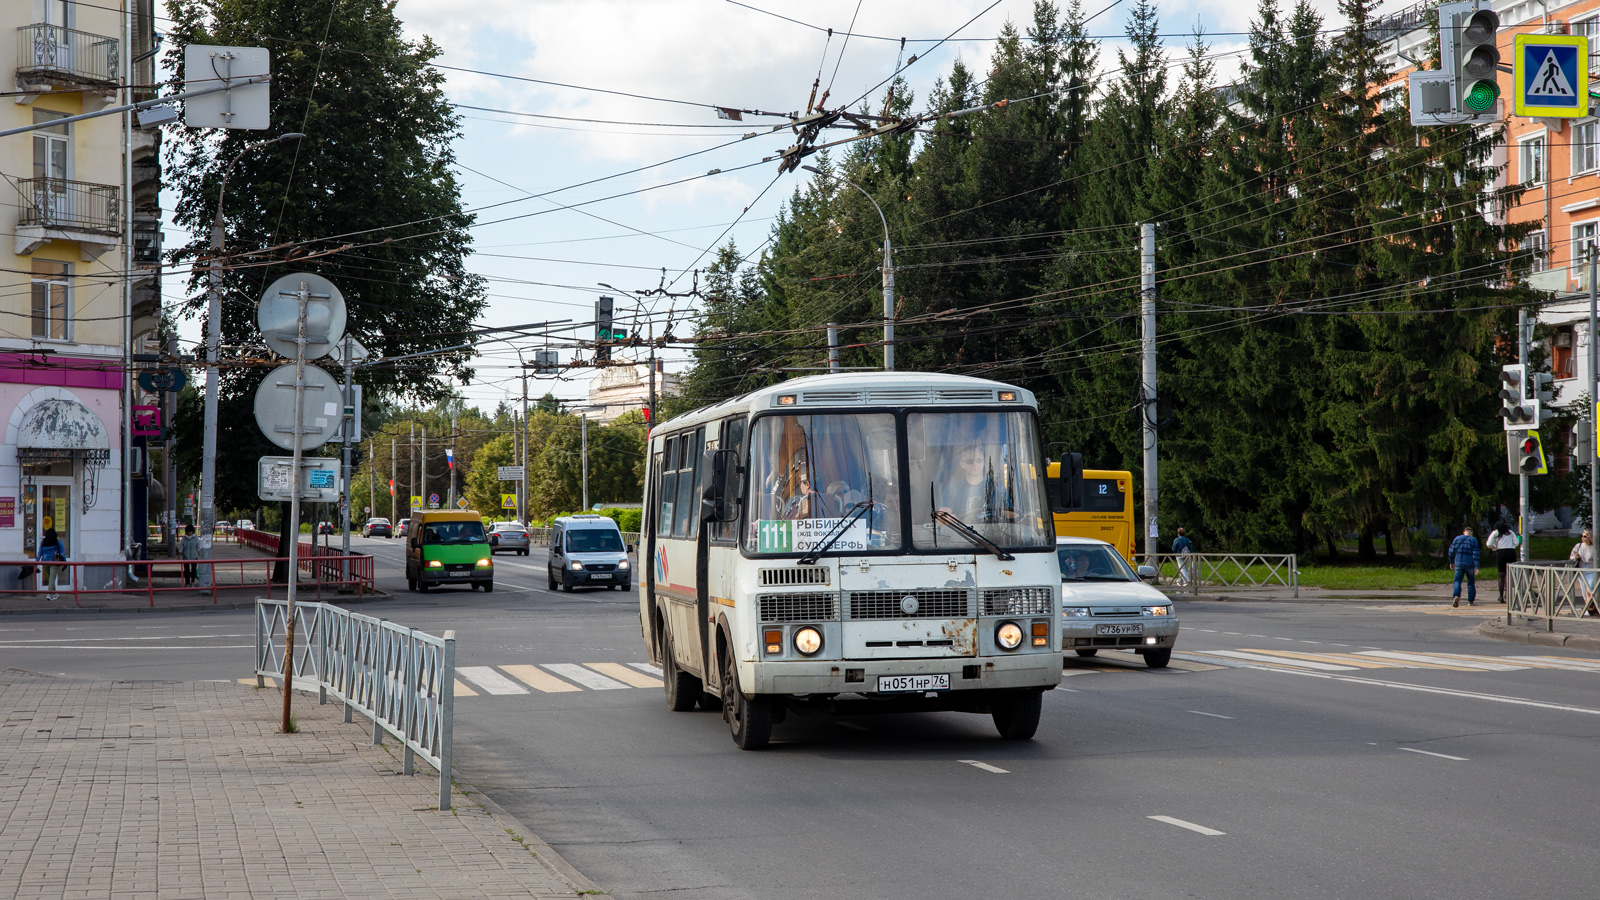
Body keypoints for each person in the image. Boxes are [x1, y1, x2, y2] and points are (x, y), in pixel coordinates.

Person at [936, 449, 1014, 524]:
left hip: (994, 535)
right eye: (970, 461)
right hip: (962, 535)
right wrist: (947, 518)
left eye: (979, 460)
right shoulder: (952, 489)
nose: (975, 464)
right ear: (962, 464)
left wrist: (1020, 519)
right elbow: (941, 518)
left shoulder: (997, 487)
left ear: (984, 462)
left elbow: (1010, 513)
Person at [1485, 520, 1519, 603]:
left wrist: (1495, 547)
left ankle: (1501, 596)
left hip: (1501, 553)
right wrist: (1511, 546)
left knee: (1501, 574)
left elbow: (1489, 544)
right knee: (1509, 574)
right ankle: (1509, 594)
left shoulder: (1495, 533)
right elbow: (1517, 542)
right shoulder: (1510, 532)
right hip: (1511, 552)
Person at [1447, 525, 1479, 608]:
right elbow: (1476, 554)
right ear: (1471, 533)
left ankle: (1456, 596)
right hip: (1470, 564)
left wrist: (1451, 562)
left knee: (1457, 581)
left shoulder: (1457, 539)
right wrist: (1477, 566)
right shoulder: (1474, 540)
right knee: (1471, 583)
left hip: (1458, 563)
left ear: (1464, 532)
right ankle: (1470, 601)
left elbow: (1451, 551)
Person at [1569, 529, 1597, 614]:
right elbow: (1571, 557)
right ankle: (1588, 609)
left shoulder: (1595, 547)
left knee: (1590, 589)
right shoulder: (1579, 546)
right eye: (1582, 536)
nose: (1582, 538)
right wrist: (1575, 557)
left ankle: (1590, 609)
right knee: (1584, 591)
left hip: (1592, 570)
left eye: (1585, 536)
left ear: (1590, 537)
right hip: (1581, 570)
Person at [36, 528, 66, 602]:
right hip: (54, 562)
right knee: (51, 578)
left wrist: (36, 562)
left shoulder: (43, 542)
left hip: (45, 562)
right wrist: (65, 562)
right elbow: (62, 552)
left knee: (51, 578)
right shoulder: (57, 542)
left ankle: (55, 593)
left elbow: (40, 553)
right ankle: (49, 594)